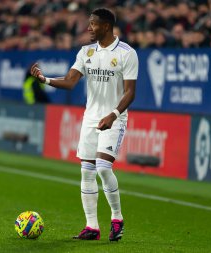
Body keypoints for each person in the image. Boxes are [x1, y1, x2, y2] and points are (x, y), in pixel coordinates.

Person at [31, 8, 138, 242]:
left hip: (115, 117)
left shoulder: (126, 54)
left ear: (106, 26)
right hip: (91, 117)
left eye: (93, 24)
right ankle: (92, 227)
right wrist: (45, 79)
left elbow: (130, 92)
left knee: (102, 167)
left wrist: (113, 114)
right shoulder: (86, 51)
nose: (88, 28)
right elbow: (70, 81)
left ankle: (117, 218)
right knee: (86, 171)